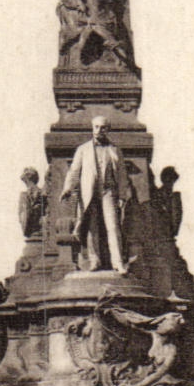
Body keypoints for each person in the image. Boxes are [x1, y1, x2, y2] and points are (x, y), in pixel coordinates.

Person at [60, 116, 132, 273]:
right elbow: (74, 171)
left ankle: (118, 262)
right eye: (96, 127)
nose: (99, 130)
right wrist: (68, 188)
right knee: (92, 228)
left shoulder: (114, 149)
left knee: (113, 226)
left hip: (108, 191)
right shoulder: (83, 149)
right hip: (89, 192)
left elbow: (121, 174)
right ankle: (95, 260)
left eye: (103, 127)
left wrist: (122, 196)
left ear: (108, 129)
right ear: (92, 128)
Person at [17, 167, 47, 238]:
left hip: (35, 230)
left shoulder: (29, 194)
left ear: (28, 178)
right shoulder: (41, 192)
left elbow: (26, 214)